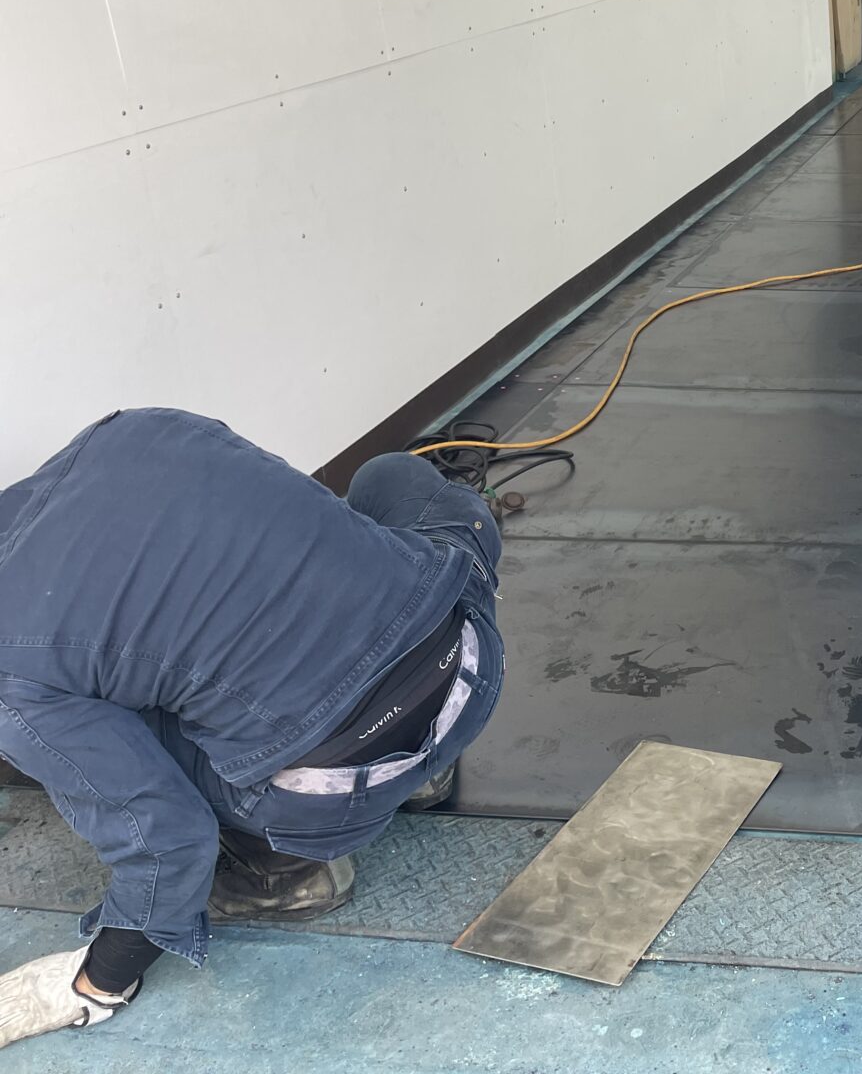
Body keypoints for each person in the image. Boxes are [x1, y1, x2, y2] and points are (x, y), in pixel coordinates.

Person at [0, 408, 505, 1049]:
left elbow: (166, 835)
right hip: (468, 665)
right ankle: (427, 775)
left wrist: (101, 977)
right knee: (391, 478)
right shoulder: (136, 430)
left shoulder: (10, 667)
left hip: (335, 790)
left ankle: (280, 872)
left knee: (115, 738)